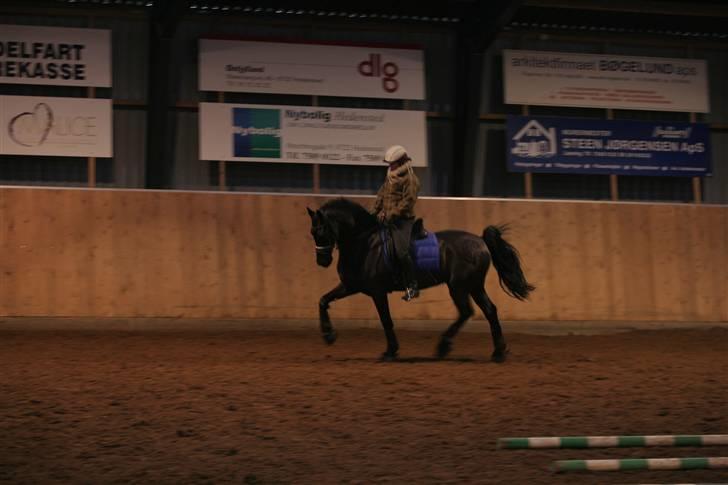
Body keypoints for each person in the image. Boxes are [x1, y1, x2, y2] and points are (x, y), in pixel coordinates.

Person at [372, 145, 421, 301]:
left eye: (392, 163)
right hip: (387, 218)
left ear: (400, 162)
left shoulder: (410, 179)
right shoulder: (391, 175)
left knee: (401, 251)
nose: (389, 166)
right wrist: (373, 212)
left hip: (403, 221)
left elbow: (408, 201)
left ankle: (412, 286)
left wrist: (390, 214)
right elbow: (382, 194)